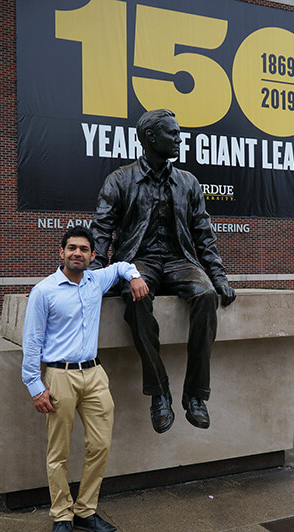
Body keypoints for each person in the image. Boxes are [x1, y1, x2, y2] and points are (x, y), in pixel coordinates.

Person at [90, 109, 236, 434]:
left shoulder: (188, 182)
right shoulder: (119, 180)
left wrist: (219, 278)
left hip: (179, 260)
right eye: (173, 133)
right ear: (151, 138)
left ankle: (196, 395)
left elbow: (203, 235)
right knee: (135, 297)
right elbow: (101, 232)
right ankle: (159, 392)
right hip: (138, 260)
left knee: (207, 296)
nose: (179, 138)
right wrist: (93, 280)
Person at [22, 226, 149, 532]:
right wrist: (34, 385)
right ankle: (62, 515)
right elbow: (31, 341)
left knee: (100, 445)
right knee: (59, 451)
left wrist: (134, 276)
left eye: (83, 249)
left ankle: (85, 510)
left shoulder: (96, 279)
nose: (77, 253)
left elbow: (119, 266)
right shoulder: (44, 291)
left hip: (94, 375)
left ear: (93, 256)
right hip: (59, 376)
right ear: (61, 253)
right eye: (71, 248)